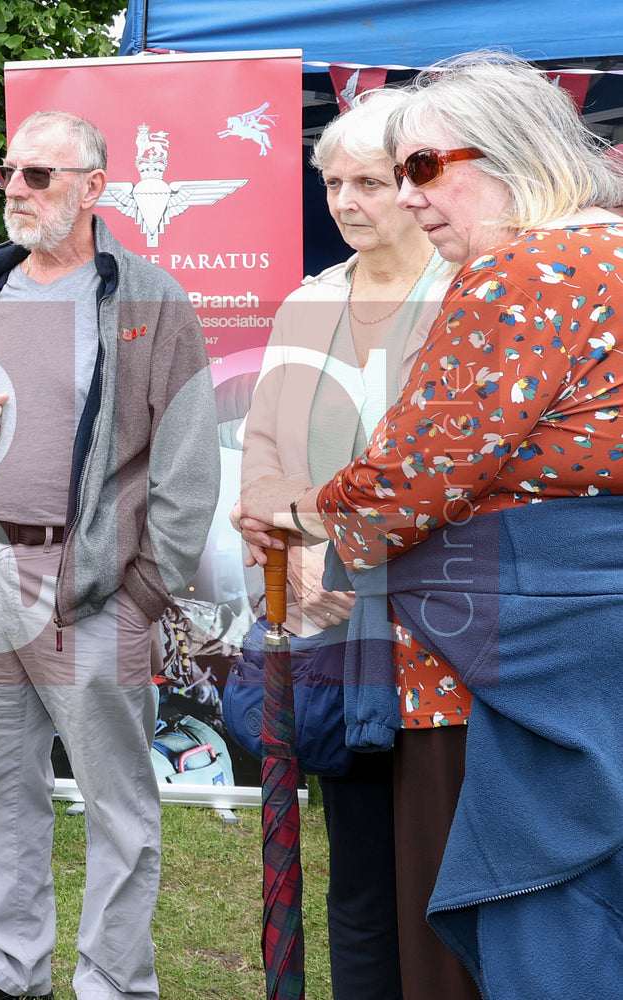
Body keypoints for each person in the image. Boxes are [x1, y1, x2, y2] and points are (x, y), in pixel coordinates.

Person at [238, 52, 623, 1000]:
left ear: (513, 155)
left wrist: (299, 521)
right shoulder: (610, 253)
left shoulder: (524, 268)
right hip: (577, 656)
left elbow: (417, 471)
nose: (407, 200)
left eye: (420, 170)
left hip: (492, 670)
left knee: (510, 922)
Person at [0, 110, 218, 1000]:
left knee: (116, 805)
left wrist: (146, 591)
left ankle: (115, 984)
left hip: (89, 591)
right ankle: (11, 972)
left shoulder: (149, 299)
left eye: (39, 176)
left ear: (94, 187)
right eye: (8, 172)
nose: (16, 190)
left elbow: (189, 460)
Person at [232, 88, 451, 1000]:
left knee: (447, 883)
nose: (347, 202)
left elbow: (466, 475)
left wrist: (345, 546)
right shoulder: (306, 306)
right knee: (360, 879)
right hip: (335, 640)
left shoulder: (471, 295)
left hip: (449, 640)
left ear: (417, 179)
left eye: (369, 180)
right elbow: (264, 469)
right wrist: (293, 555)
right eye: (332, 183)